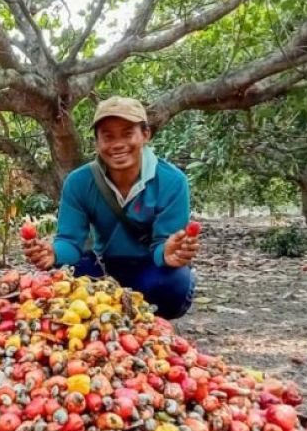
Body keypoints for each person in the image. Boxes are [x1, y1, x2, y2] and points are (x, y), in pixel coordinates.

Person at [24, 96, 199, 319]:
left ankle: (152, 323)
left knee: (175, 283)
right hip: (103, 267)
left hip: (149, 267)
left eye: (127, 133)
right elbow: (70, 241)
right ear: (97, 142)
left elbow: (162, 246)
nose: (117, 144)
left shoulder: (172, 181)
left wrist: (168, 252)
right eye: (108, 136)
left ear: (145, 134)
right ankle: (101, 320)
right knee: (60, 279)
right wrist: (53, 253)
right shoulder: (79, 182)